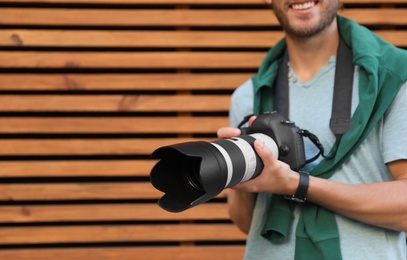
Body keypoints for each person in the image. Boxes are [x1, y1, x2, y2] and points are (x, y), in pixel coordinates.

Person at [217, 0, 407, 259]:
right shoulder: (248, 96)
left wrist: (298, 185)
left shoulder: (394, 77)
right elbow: (247, 222)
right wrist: (238, 177)